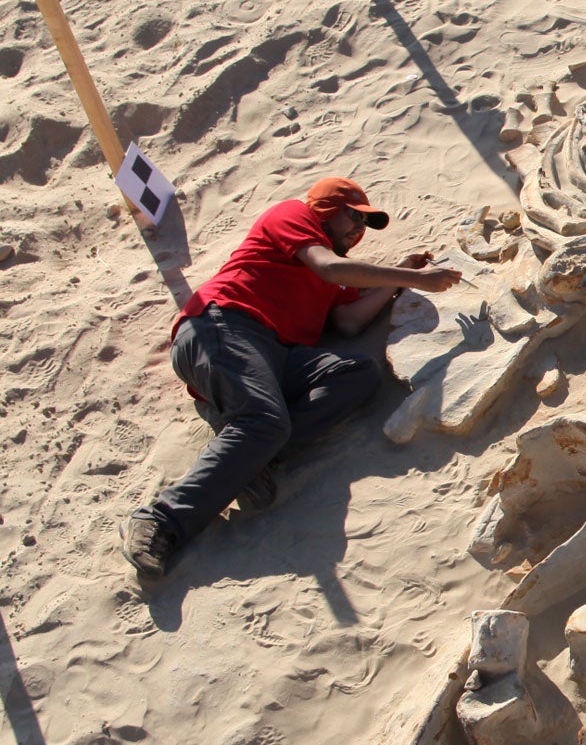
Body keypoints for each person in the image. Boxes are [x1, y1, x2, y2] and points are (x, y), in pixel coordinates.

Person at [120, 179, 463, 584]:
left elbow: (349, 320)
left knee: (358, 373)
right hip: (223, 326)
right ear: (324, 209)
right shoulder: (293, 216)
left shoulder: (334, 277)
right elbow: (328, 265)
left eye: (367, 224)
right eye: (355, 216)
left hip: (275, 355)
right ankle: (160, 520)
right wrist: (421, 279)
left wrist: (403, 277)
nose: (360, 230)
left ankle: (256, 460)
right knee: (264, 422)